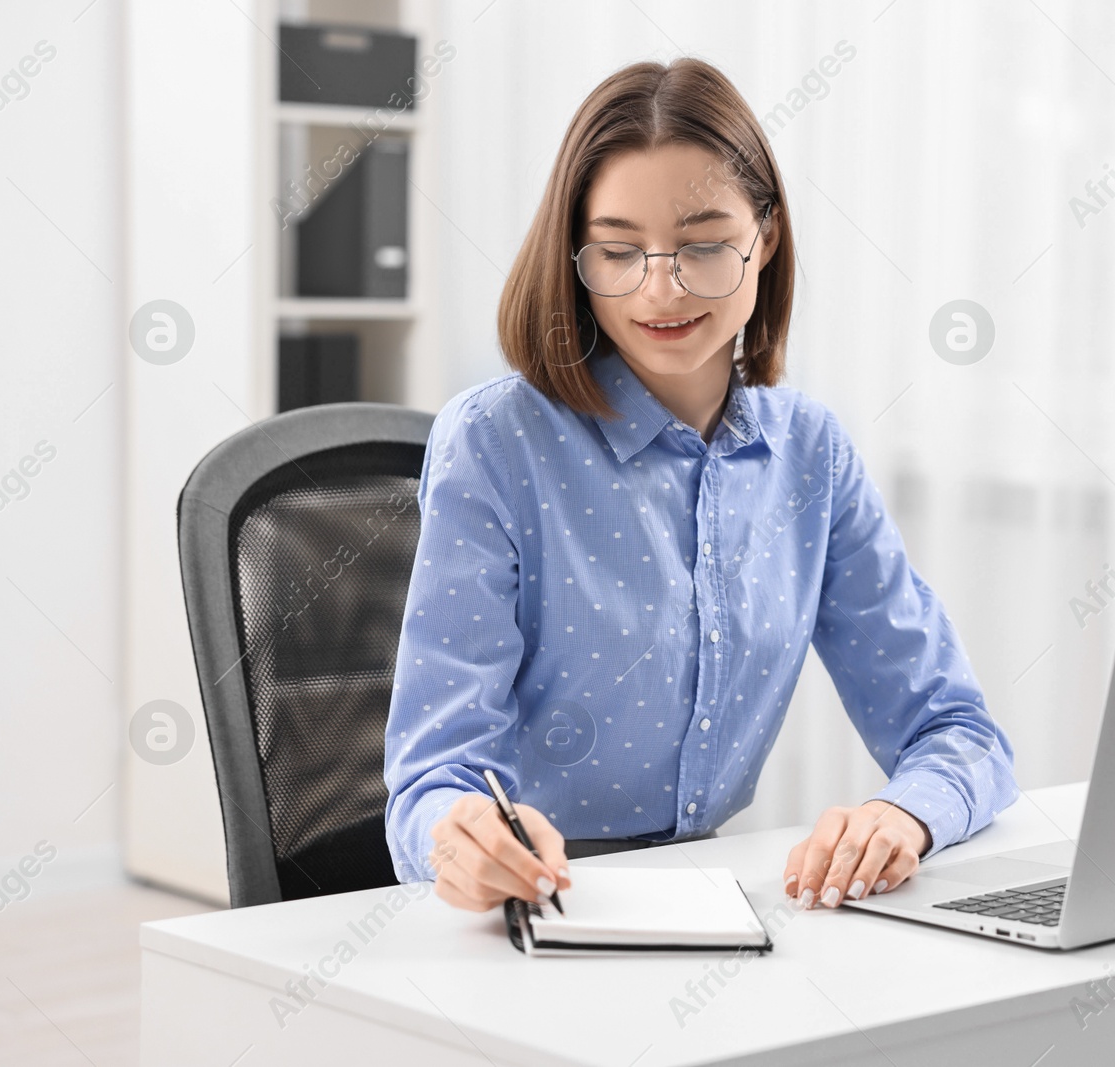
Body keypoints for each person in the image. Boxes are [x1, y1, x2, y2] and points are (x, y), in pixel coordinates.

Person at [383, 56, 1016, 917]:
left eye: (703, 246)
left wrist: (905, 813)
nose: (660, 287)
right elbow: (431, 781)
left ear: (768, 238)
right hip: (529, 917)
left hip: (716, 905)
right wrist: (458, 835)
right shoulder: (496, 444)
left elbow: (959, 732)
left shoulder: (810, 455)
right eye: (617, 250)